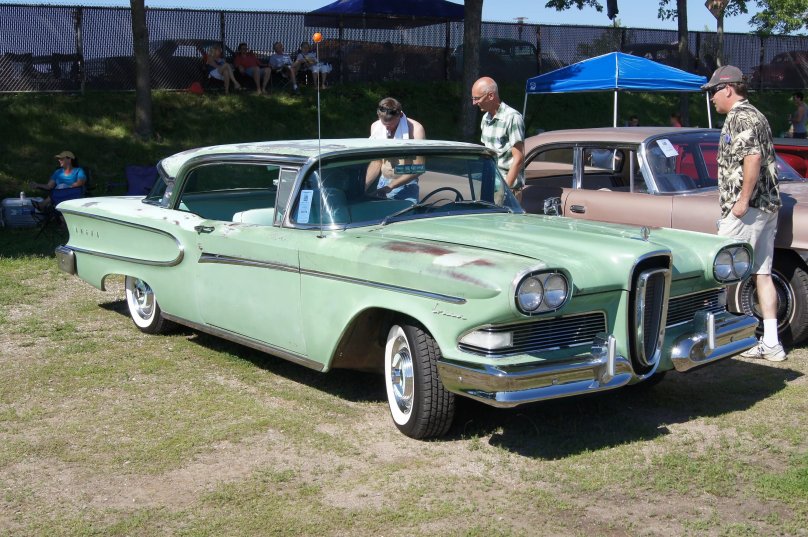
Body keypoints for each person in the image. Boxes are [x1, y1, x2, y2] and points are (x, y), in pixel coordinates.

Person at [703, 65, 786, 362]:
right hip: (765, 207)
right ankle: (772, 342)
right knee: (762, 273)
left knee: (716, 271)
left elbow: (752, 158)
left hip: (746, 210)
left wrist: (742, 201)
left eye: (713, 91)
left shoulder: (741, 117)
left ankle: (711, 339)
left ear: (727, 89)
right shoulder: (757, 115)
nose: (712, 98)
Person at [471, 76, 525, 198]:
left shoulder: (512, 117)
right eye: (473, 98)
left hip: (506, 187)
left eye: (477, 98)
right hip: (488, 184)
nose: (474, 103)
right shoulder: (485, 118)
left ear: (491, 96)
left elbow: (519, 157)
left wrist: (506, 189)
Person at [365, 97, 426, 202]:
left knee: (406, 218)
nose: (388, 129)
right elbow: (377, 162)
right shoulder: (376, 127)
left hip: (407, 186)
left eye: (392, 125)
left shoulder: (415, 129)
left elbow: (419, 168)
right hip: (383, 183)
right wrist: (364, 186)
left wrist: (391, 186)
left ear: (400, 115)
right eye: (385, 125)